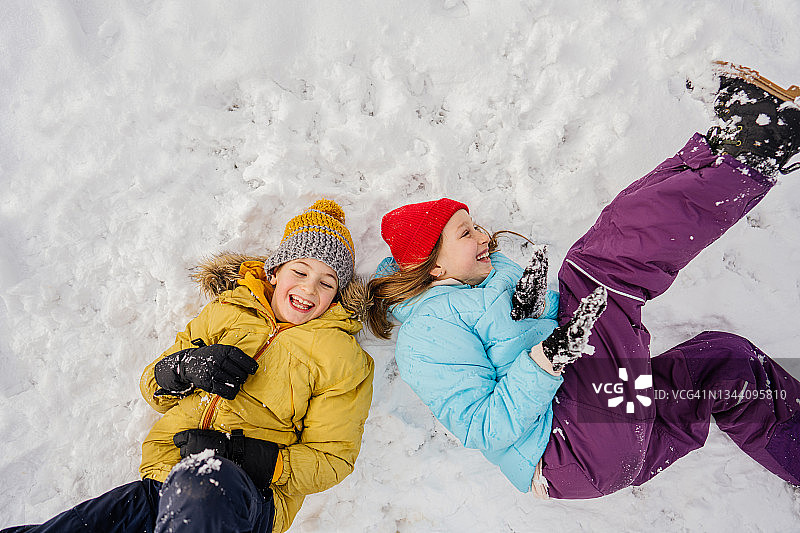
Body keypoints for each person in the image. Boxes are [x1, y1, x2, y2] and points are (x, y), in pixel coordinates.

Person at [364, 62, 800, 499]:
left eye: (476, 225)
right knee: (597, 269)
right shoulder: (425, 334)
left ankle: (729, 149)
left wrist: (542, 310)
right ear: (433, 266)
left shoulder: (493, 273)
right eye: (465, 233)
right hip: (569, 449)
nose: (483, 236)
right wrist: (545, 359)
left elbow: (576, 327)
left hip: (613, 428)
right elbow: (483, 427)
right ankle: (752, 151)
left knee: (725, 364)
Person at [3, 200, 375, 533]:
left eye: (327, 283)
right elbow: (153, 388)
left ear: (336, 294)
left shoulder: (341, 359)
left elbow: (332, 461)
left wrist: (242, 455)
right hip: (164, 480)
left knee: (202, 486)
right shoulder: (225, 312)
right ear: (274, 272)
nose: (310, 289)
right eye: (300, 271)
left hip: (251, 497)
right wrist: (184, 369)